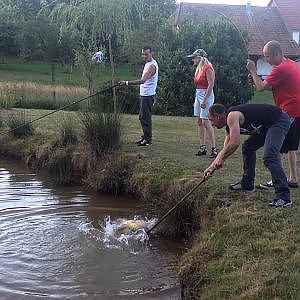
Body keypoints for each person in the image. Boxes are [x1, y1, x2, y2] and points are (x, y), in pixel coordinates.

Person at [203, 103, 292, 207]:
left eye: (211, 120)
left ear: (217, 116)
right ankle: (247, 183)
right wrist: (211, 168)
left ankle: (283, 196)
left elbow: (234, 143)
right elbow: (225, 149)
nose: (212, 124)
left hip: (278, 120)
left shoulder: (232, 116)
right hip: (265, 126)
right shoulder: (229, 126)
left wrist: (220, 159)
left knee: (269, 157)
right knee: (248, 147)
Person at [246, 40, 300, 189]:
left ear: (277, 54)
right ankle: (293, 179)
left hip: (288, 111)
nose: (266, 59)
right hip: (296, 110)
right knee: (289, 146)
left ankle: (277, 180)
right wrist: (258, 80)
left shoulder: (281, 68)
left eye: (268, 56)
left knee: (275, 145)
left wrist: (252, 70)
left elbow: (261, 88)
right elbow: (271, 86)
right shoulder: (290, 64)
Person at [119, 46, 158, 146]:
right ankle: (145, 137)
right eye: (143, 54)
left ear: (151, 53)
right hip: (144, 94)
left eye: (146, 54)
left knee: (145, 117)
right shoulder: (147, 64)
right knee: (142, 116)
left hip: (148, 95)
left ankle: (148, 140)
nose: (144, 56)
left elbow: (143, 81)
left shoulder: (152, 66)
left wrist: (126, 83)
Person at [187, 49, 217, 158]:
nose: (192, 60)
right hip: (199, 93)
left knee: (205, 121)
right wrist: (197, 99)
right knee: (199, 121)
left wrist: (204, 100)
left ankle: (214, 148)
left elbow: (211, 84)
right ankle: (202, 146)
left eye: (194, 58)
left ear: (200, 58)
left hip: (206, 95)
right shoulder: (199, 69)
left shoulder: (208, 68)